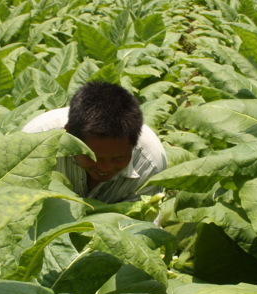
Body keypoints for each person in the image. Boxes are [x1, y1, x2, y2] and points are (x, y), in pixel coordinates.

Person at [22, 81, 167, 203]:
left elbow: (139, 223)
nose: (105, 168)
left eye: (119, 158)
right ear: (69, 135)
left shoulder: (150, 163)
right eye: (92, 157)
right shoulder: (34, 145)